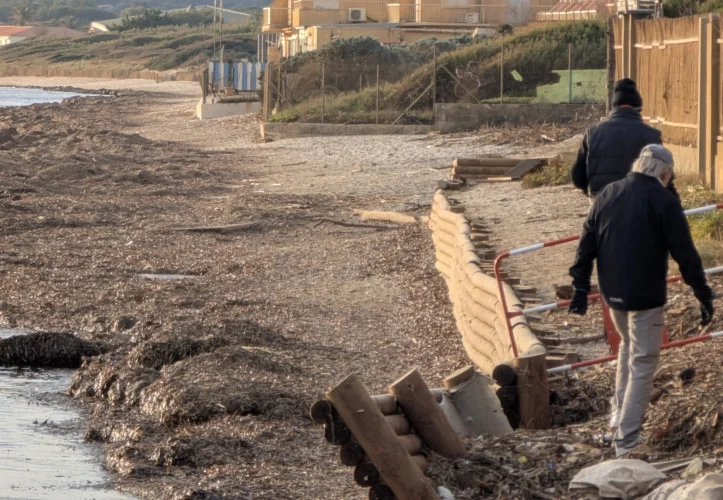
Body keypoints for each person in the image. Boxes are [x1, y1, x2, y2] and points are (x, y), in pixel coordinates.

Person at [567, 144, 714, 457]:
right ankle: (627, 440)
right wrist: (703, 293)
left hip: (612, 293)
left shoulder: (608, 193)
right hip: (645, 295)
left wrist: (580, 287)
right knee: (644, 362)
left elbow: (585, 243)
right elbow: (685, 254)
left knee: (627, 347)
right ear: (665, 172)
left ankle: (617, 418)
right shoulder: (663, 200)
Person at [570, 78, 678, 199]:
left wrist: (590, 191)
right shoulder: (651, 135)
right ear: (638, 107)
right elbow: (664, 176)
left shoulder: (593, 133)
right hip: (639, 200)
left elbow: (577, 177)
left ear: (614, 107)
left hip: (602, 199)